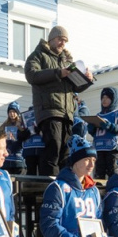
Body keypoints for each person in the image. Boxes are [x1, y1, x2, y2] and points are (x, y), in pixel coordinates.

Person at [25, 25, 94, 176]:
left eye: (65, 41)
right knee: (53, 148)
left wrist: (87, 80)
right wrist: (58, 73)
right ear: (51, 39)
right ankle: (49, 185)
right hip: (49, 110)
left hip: (67, 113)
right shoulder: (38, 55)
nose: (63, 43)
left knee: (65, 151)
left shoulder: (67, 61)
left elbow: (75, 87)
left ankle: (63, 184)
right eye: (60, 39)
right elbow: (32, 75)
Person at [85, 87, 118, 180]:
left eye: (107, 98)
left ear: (113, 99)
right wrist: (91, 128)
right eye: (103, 98)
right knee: (99, 173)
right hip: (99, 148)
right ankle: (100, 192)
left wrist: (110, 126)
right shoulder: (98, 116)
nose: (104, 100)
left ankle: (114, 190)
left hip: (113, 149)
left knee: (113, 172)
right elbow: (94, 133)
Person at [0, 101, 30, 175]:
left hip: (18, 160)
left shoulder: (22, 124)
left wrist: (21, 129)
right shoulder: (4, 125)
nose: (12, 114)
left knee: (19, 183)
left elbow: (23, 139)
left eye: (14, 112)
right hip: (7, 161)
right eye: (10, 112)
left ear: (17, 113)